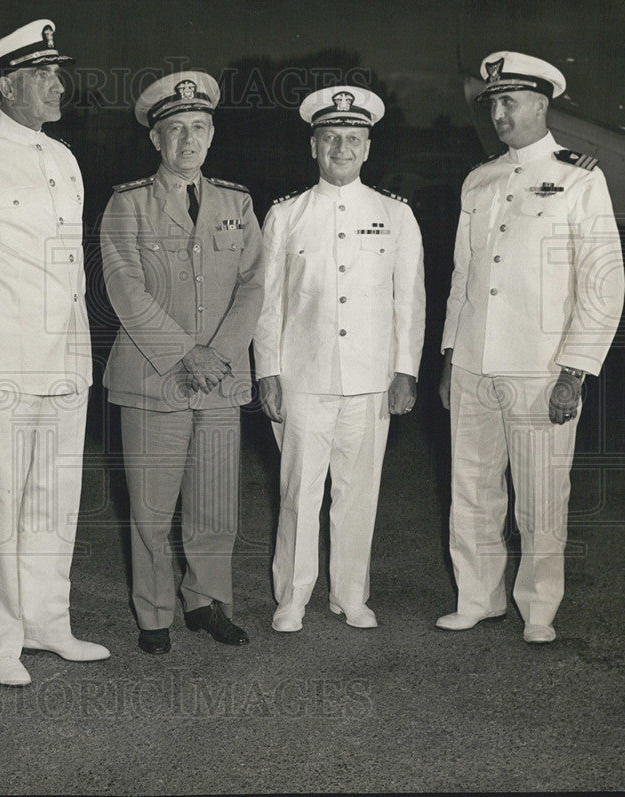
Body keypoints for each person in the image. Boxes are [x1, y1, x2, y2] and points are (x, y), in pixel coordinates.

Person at [0, 20, 109, 687]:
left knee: (55, 497)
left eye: (58, 73)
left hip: (67, 358)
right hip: (4, 364)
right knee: (2, 499)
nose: (59, 84)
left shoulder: (63, 158)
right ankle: (0, 639)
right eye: (46, 75)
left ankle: (47, 621)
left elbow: (72, 274)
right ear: (10, 85)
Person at [437, 52, 624, 644]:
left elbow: (603, 279)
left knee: (541, 496)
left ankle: (538, 609)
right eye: (492, 102)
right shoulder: (480, 179)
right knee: (471, 488)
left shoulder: (579, 176)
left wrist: (576, 367)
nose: (498, 112)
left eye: (508, 100)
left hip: (540, 366)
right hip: (472, 361)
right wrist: (448, 358)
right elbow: (463, 278)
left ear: (542, 105)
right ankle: (478, 597)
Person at [101, 71, 264, 654]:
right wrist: (184, 353)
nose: (188, 140)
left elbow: (253, 285)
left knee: (214, 500)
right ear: (156, 140)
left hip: (219, 378)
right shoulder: (127, 204)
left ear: (212, 133)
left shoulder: (237, 203)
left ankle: (207, 603)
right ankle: (154, 614)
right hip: (154, 377)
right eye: (175, 130)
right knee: (151, 505)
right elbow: (125, 289)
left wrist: (217, 355)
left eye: (198, 127)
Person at [253, 85, 425, 633]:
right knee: (299, 490)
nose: (341, 148)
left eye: (352, 139)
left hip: (371, 377)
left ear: (368, 148)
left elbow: (410, 299)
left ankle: (351, 594)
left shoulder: (394, 215)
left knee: (359, 490)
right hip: (303, 376)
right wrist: (267, 372)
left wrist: (406, 371)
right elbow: (268, 300)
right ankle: (293, 597)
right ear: (313, 146)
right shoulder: (285, 215)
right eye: (331, 138)